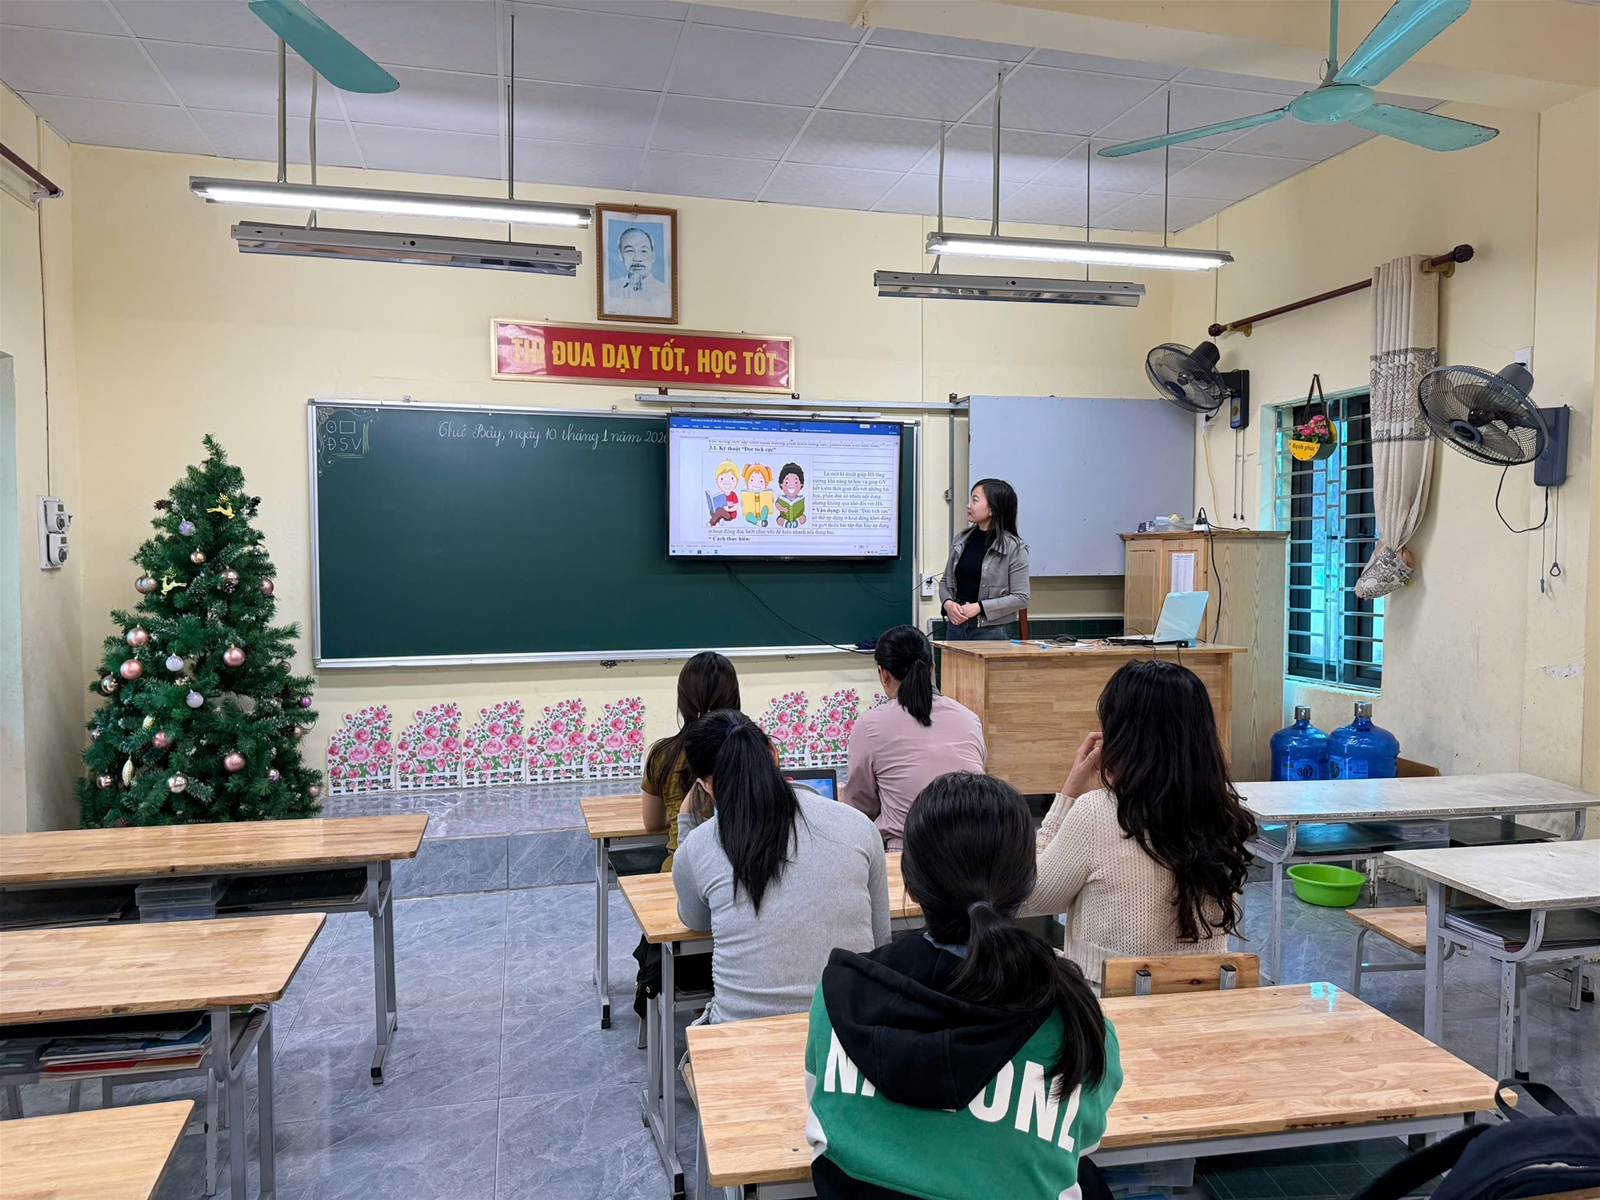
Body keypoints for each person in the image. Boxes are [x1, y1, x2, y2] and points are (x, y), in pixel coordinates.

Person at [805, 772, 1122, 1200]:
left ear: (910, 886)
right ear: (1028, 884)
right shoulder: (1077, 1023)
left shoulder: (837, 999)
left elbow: (822, 1120)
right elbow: (1085, 1144)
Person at [1028, 659, 1258, 988]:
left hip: (1109, 1008)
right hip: (1200, 1003)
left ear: (1122, 736)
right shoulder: (1221, 813)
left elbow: (1036, 897)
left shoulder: (1096, 811)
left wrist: (1068, 796)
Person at [675, 710, 890, 1023]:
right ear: (773, 754)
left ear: (705, 785)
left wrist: (686, 825)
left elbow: (694, 921)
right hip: (849, 1031)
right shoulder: (857, 825)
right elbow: (881, 940)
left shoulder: (699, 845)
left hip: (743, 1035)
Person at [841, 625, 986, 850]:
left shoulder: (870, 725)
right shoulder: (969, 718)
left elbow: (859, 809)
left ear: (884, 674)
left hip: (909, 853)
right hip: (974, 848)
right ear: (933, 669)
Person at [641, 651, 740, 872]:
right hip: (742, 873)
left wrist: (680, 815)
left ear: (683, 700)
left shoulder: (662, 754)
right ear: (734, 699)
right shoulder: (758, 749)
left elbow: (652, 822)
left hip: (680, 874)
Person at [939, 478, 1029, 641]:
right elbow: (946, 581)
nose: (968, 505)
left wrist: (979, 607)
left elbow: (1021, 597)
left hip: (992, 630)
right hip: (956, 625)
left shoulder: (1014, 547)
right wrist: (948, 603)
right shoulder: (961, 540)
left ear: (992, 509)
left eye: (975, 500)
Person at [607, 225, 670, 318]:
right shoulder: (609, 289)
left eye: (643, 251)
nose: (637, 258)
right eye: (629, 251)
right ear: (620, 255)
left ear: (653, 255)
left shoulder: (665, 292)